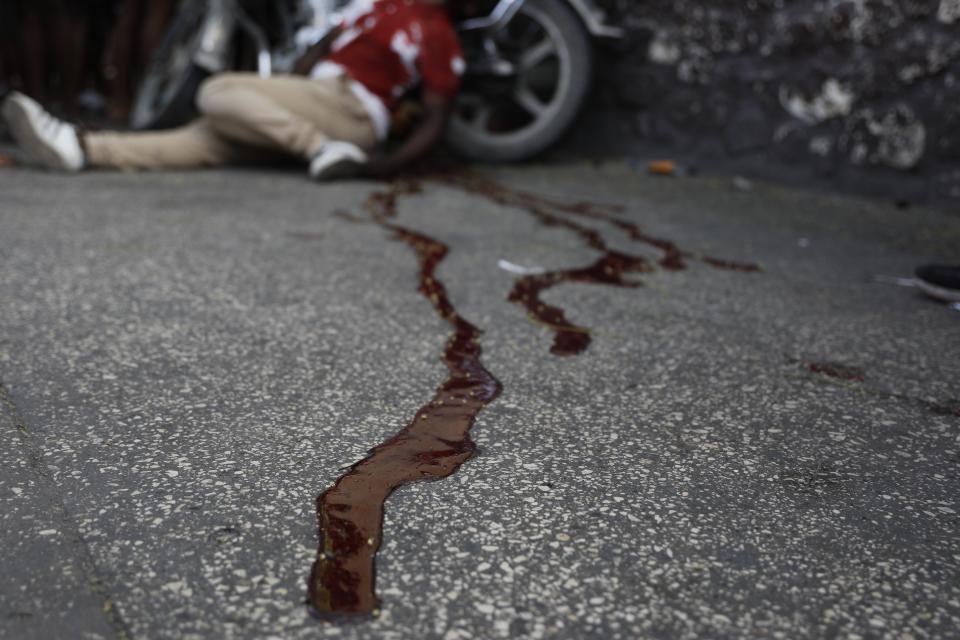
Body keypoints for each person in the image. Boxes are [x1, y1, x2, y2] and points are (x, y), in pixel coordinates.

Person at [1, 0, 464, 180]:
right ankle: (81, 148)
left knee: (217, 91)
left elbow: (437, 115)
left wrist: (383, 167)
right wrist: (318, 51)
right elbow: (308, 60)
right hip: (312, 96)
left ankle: (322, 148)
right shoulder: (376, 5)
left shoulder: (434, 26)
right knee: (207, 139)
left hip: (351, 111)